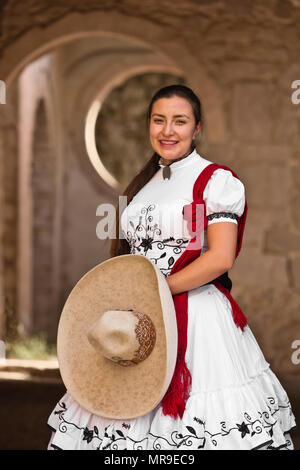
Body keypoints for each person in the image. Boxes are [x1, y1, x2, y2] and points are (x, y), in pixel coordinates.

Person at [47, 84, 296, 450]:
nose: (167, 131)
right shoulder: (145, 183)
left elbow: (220, 257)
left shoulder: (215, 181)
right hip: (142, 316)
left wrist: (158, 291)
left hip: (195, 318)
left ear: (196, 129)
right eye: (158, 120)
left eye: (179, 121)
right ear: (148, 124)